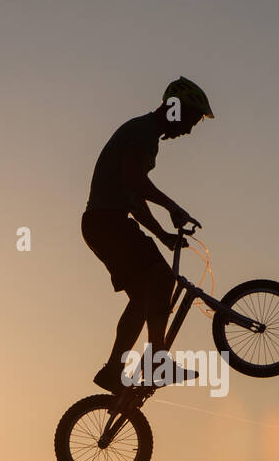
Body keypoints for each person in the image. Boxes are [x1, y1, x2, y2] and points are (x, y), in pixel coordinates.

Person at [82, 77, 213, 394]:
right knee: (161, 281)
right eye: (191, 120)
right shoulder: (143, 133)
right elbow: (135, 182)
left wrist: (164, 235)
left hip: (107, 224)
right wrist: (173, 207)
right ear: (175, 109)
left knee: (144, 297)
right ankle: (156, 364)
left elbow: (134, 199)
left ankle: (116, 369)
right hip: (106, 224)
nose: (190, 130)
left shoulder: (145, 134)